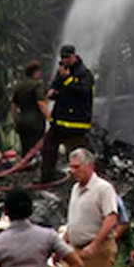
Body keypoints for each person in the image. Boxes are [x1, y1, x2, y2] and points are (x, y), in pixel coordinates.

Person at [57, 148, 120, 267]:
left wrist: (95, 244)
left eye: (77, 167)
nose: (73, 171)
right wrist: (62, 245)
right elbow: (74, 221)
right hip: (75, 250)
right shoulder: (75, 189)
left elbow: (111, 218)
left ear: (90, 166)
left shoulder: (103, 189)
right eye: (71, 167)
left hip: (97, 251)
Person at [41, 44, 95, 183]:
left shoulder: (84, 74)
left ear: (74, 56)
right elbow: (56, 86)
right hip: (59, 121)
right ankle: (47, 177)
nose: (64, 60)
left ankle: (85, 179)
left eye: (67, 57)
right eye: (62, 57)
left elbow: (83, 92)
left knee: (79, 154)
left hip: (76, 124)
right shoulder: (61, 72)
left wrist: (68, 79)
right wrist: (52, 92)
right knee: (48, 149)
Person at [10, 60, 47, 158]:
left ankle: (25, 168)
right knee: (36, 147)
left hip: (22, 120)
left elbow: (14, 104)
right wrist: (50, 117)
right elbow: (41, 103)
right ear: (35, 72)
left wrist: (15, 120)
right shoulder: (37, 85)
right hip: (35, 121)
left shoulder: (20, 86)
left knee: (25, 148)